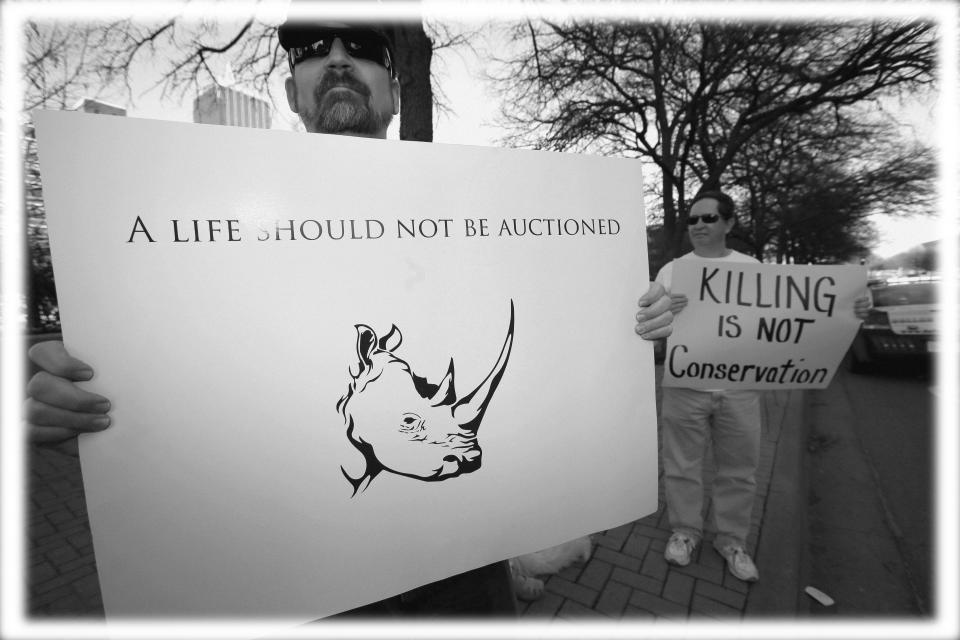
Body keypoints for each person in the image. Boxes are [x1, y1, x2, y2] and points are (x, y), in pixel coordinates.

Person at [25, 15, 675, 616]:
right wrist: (79, 391)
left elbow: (546, 342)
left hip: (464, 579)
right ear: (291, 92)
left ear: (393, 92)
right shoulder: (209, 223)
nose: (337, 59)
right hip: (305, 588)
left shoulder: (485, 211)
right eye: (314, 50)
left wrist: (625, 325)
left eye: (362, 48)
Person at [655, 190, 870, 583]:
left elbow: (792, 315)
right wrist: (667, 315)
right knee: (681, 466)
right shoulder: (671, 272)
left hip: (739, 388)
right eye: (693, 220)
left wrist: (850, 307)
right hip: (685, 386)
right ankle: (685, 532)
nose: (699, 226)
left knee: (739, 470)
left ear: (729, 224)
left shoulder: (752, 268)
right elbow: (652, 329)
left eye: (708, 218)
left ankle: (732, 540)